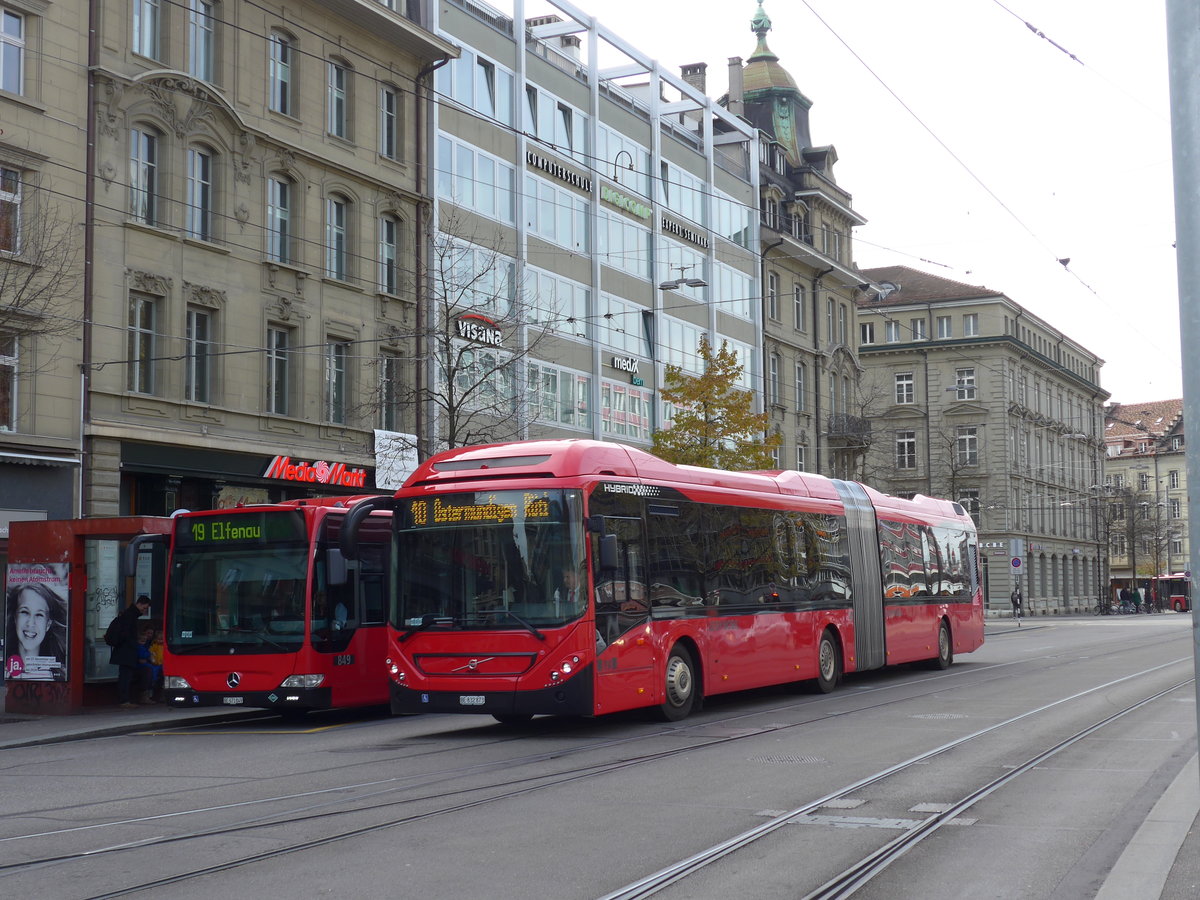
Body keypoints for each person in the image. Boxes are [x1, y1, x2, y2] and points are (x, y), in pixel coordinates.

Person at [4, 582, 68, 681]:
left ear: (48, 624)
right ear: (15, 618)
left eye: (39, 615)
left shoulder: (59, 677)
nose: (31, 623)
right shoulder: (4, 671)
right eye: (24, 612)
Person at [107, 595, 151, 708]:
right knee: (125, 676)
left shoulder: (129, 614)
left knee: (129, 674)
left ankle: (128, 698)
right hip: (126, 651)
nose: (145, 610)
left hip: (125, 650)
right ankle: (124, 700)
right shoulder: (130, 615)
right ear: (140, 604)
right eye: (145, 607)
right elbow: (126, 634)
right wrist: (133, 645)